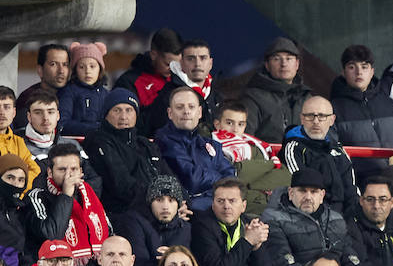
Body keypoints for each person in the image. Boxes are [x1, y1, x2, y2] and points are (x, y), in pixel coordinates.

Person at [261, 167, 364, 266]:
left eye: (313, 192)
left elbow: (351, 262)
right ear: (291, 193)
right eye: (302, 191)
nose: (308, 197)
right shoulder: (273, 218)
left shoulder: (335, 219)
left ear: (322, 195)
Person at [83, 88, 166, 219]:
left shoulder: (144, 144)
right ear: (106, 114)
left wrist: (180, 200)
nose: (123, 116)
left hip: (157, 208)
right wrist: (158, 201)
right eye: (117, 110)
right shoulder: (99, 141)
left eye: (129, 110)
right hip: (123, 213)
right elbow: (122, 186)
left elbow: (169, 175)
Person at [23, 143, 110, 261]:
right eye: (62, 169)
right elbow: (51, 235)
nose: (68, 175)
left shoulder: (89, 194)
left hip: (98, 265)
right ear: (49, 172)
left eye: (74, 169)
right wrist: (66, 195)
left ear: (81, 172)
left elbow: (109, 231)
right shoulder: (37, 196)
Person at [328, 44, 393, 180]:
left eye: (364, 67)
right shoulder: (333, 108)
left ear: (372, 71)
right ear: (343, 72)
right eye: (352, 67)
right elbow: (332, 150)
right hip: (358, 180)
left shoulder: (389, 103)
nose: (359, 72)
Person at [157, 86, 235, 212]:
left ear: (199, 112)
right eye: (179, 107)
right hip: (194, 212)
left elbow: (231, 177)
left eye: (191, 107)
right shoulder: (164, 141)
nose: (186, 111)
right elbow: (194, 180)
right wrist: (220, 178)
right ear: (170, 113)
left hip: (218, 205)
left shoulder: (209, 143)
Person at [280, 95, 359, 214]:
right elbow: (301, 189)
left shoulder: (338, 150)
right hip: (311, 217)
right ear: (302, 119)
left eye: (322, 116)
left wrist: (353, 218)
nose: (315, 121)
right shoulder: (293, 148)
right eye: (310, 116)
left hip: (343, 216)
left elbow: (351, 190)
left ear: (332, 120)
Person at [210, 99, 289, 215]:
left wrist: (250, 184)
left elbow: (285, 177)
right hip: (239, 211)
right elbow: (235, 175)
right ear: (217, 124)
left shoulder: (255, 147)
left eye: (240, 124)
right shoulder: (211, 148)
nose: (235, 129)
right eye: (229, 123)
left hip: (268, 207)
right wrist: (270, 165)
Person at [22, 91, 101, 191]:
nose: (45, 118)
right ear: (29, 117)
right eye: (38, 112)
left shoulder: (72, 144)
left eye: (51, 112)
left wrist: (73, 193)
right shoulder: (20, 146)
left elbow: (94, 180)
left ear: (58, 115)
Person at [241, 37, 312, 144]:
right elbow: (246, 140)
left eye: (289, 59)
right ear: (267, 65)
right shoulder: (253, 97)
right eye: (277, 59)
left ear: (297, 64)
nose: (283, 64)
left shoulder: (307, 98)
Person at [143, 38, 216, 136]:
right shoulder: (167, 97)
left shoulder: (217, 96)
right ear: (181, 62)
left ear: (210, 63)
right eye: (191, 58)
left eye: (203, 58)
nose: (197, 64)